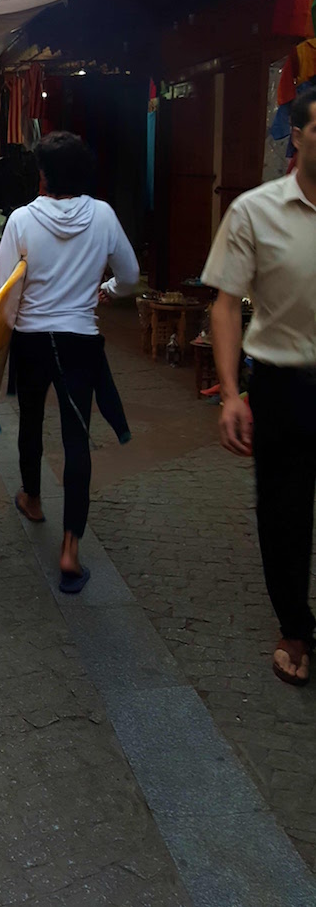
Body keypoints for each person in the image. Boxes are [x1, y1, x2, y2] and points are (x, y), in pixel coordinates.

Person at [0, 131, 139, 594]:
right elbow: (130, 277)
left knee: (30, 421)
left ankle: (31, 497)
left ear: (45, 175)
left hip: (32, 341)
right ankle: (71, 548)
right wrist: (105, 291)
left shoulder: (22, 221)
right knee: (77, 438)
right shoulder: (105, 216)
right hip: (80, 343)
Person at [203, 90, 316, 687]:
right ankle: (295, 628)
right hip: (284, 386)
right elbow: (225, 304)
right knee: (285, 513)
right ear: (296, 135)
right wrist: (230, 393)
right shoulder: (255, 211)